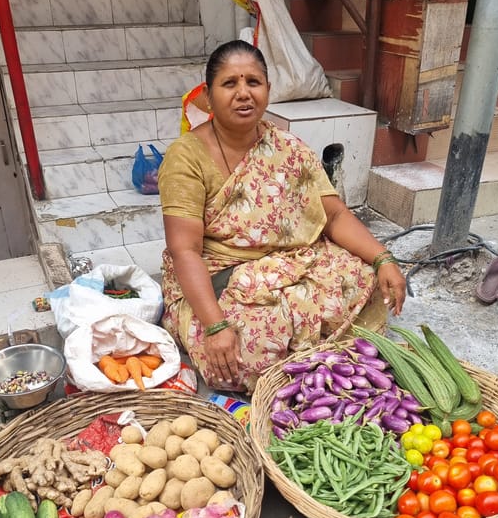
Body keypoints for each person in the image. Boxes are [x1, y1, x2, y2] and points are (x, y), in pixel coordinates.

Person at [158, 40, 406, 393]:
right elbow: (185, 250)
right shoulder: (186, 157)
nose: (243, 93)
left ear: (267, 91)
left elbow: (333, 215)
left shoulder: (287, 147)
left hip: (289, 263)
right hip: (224, 275)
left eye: (253, 83)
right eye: (230, 84)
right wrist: (214, 326)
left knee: (362, 276)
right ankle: (312, 358)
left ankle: (308, 364)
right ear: (209, 96)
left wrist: (383, 259)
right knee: (249, 343)